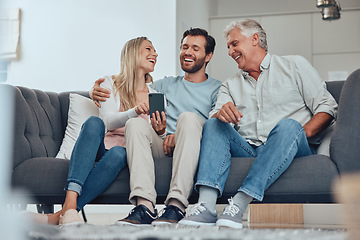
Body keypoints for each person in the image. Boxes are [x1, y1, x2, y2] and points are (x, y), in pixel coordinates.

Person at [178, 19, 338, 229]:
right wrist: (220, 114)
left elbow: (328, 106)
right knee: (213, 123)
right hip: (249, 149)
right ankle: (206, 207)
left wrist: (300, 133)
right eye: (228, 47)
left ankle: (239, 203)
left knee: (288, 126)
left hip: (291, 146)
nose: (230, 51)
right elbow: (215, 117)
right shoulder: (230, 84)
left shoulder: (294, 65)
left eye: (234, 44)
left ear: (255, 39)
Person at [91, 28, 221, 225]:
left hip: (194, 145)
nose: (188, 52)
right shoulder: (164, 85)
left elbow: (216, 125)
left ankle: (176, 206)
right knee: (134, 123)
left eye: (195, 48)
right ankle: (145, 206)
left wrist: (180, 134)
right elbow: (131, 86)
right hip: (162, 145)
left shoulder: (217, 89)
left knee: (188, 119)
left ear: (208, 55)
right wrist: (96, 90)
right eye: (185, 47)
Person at [34, 36, 161, 225]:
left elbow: (153, 136)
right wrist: (135, 111)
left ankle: (60, 215)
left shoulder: (155, 94)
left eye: (155, 51)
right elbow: (108, 122)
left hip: (124, 154)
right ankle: (69, 205)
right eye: (149, 49)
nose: (155, 54)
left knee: (119, 153)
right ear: (133, 53)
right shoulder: (109, 83)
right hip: (101, 148)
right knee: (94, 122)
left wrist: (160, 130)